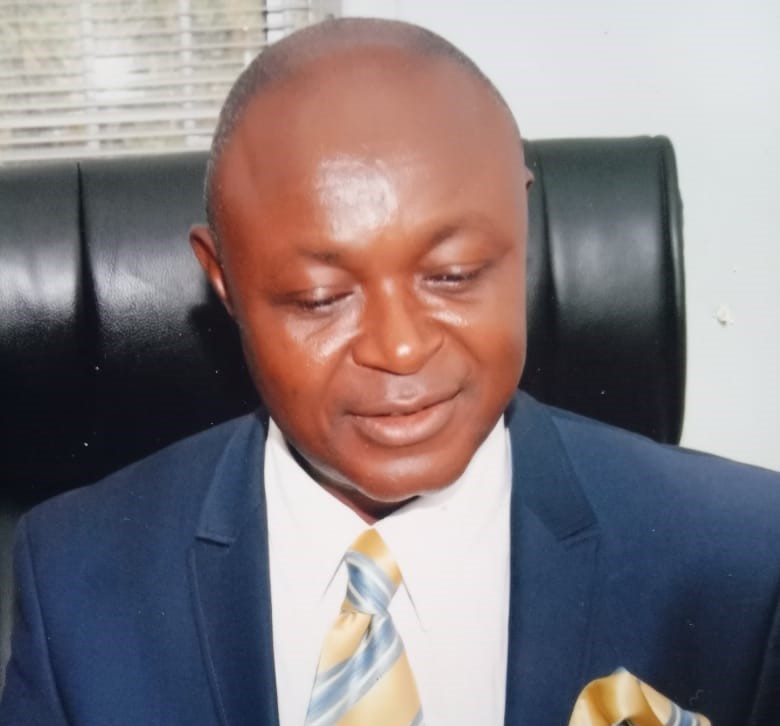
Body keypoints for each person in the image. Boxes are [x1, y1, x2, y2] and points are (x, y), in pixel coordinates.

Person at [1, 17, 779, 726]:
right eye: (319, 298)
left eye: (454, 275)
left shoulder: (747, 555)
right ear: (223, 278)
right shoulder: (76, 578)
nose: (401, 348)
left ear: (523, 220)